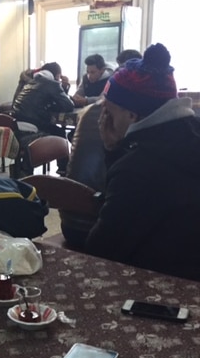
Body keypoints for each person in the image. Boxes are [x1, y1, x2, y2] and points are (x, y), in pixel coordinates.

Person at [86, 43, 200, 281]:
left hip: (165, 285)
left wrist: (112, 152)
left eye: (109, 111)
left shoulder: (136, 170)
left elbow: (101, 250)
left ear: (132, 115)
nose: (104, 119)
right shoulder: (190, 133)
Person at [60, 50, 143, 249]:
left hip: (69, 218)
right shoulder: (132, 119)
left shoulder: (89, 112)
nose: (89, 75)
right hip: (96, 226)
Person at [12, 62, 75, 174]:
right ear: (57, 76)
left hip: (16, 129)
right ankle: (64, 170)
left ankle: (25, 169)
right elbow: (68, 105)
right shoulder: (52, 84)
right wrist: (64, 87)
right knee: (59, 132)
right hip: (33, 129)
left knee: (56, 129)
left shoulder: (29, 83)